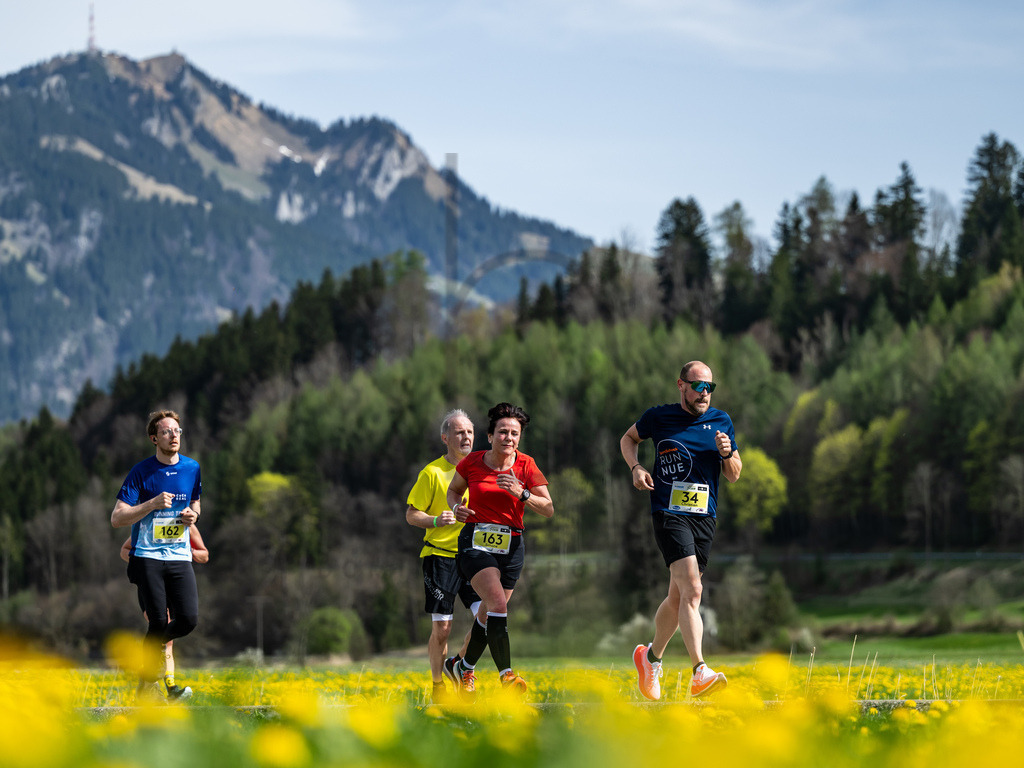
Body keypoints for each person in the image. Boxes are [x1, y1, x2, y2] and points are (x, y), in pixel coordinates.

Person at [620, 361, 742, 700]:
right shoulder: (659, 417)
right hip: (668, 512)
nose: (704, 393)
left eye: (709, 387)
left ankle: (650, 658)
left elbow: (734, 474)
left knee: (679, 598)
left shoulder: (721, 421)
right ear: (681, 385)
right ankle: (699, 671)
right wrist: (636, 467)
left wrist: (727, 453)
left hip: (705, 517)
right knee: (693, 589)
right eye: (698, 386)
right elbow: (628, 438)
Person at [447, 402, 554, 696]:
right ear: (490, 435)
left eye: (514, 433)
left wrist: (522, 493)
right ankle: (507, 675)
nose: (509, 438)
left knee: (488, 613)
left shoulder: (526, 465)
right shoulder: (472, 463)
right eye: (503, 432)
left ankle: (463, 667)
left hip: (512, 547)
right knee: (497, 604)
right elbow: (454, 490)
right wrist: (455, 508)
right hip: (475, 543)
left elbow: (548, 508)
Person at [111, 410, 202, 701]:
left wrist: (193, 515)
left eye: (177, 431)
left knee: (188, 620)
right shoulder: (141, 472)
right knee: (158, 622)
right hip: (147, 556)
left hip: (179, 556)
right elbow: (117, 518)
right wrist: (150, 504)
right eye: (166, 432)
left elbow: (196, 502)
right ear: (154, 439)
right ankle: (147, 685)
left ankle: (147, 661)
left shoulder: (192, 468)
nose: (174, 436)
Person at [405, 409, 483, 704]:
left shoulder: (482, 469)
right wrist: (436, 521)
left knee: (488, 618)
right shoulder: (432, 473)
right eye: (459, 432)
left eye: (470, 432)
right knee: (443, 629)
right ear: (445, 438)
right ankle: (438, 686)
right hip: (440, 558)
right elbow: (412, 514)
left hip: (475, 557)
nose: (466, 437)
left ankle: (460, 665)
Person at [120, 524, 209, 700]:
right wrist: (143, 564)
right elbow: (125, 549)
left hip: (175, 582)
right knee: (162, 629)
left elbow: (204, 555)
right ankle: (168, 687)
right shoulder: (151, 523)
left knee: (168, 638)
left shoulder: (187, 524)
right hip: (152, 581)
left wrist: (187, 551)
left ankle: (156, 681)